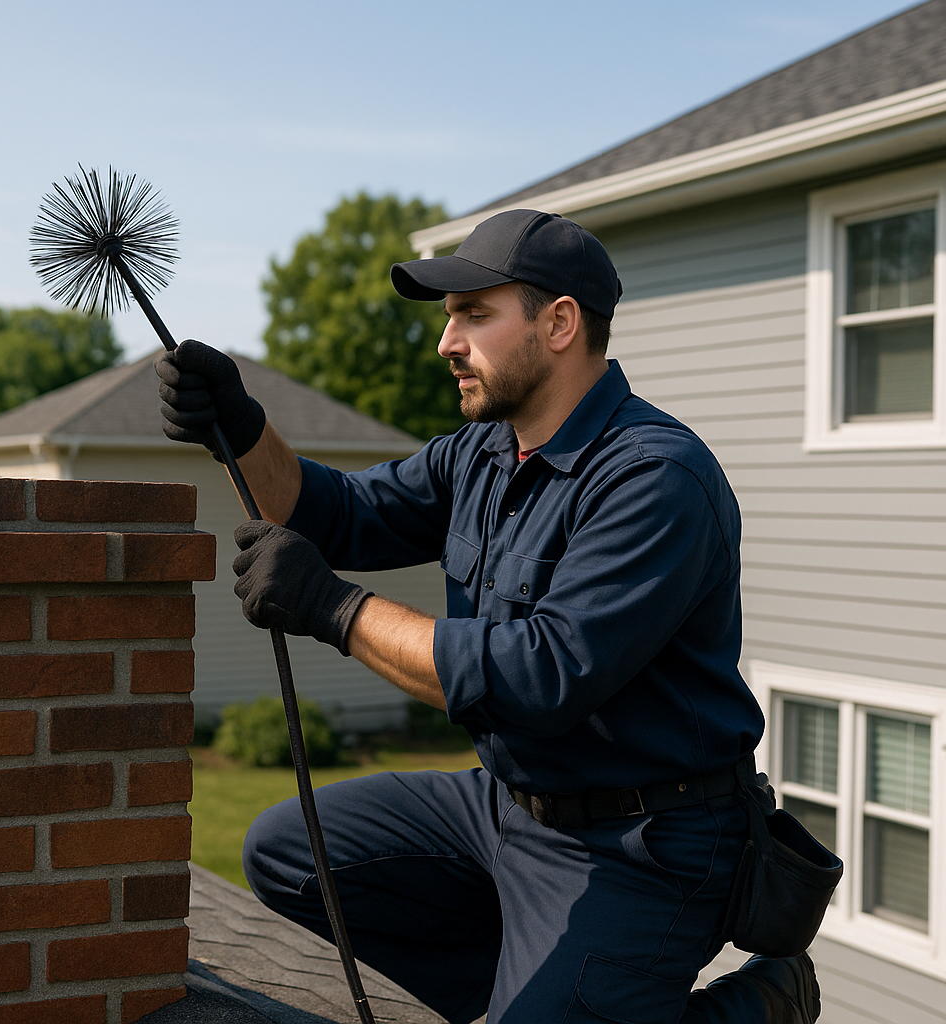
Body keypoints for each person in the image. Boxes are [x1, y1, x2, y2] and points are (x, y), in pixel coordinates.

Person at [157, 209, 821, 1024]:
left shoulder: (655, 478)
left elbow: (541, 676)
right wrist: (239, 426)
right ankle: (541, 989)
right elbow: (335, 512)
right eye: (449, 317)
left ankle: (752, 1006)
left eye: (474, 314)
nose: (447, 342)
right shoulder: (482, 452)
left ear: (560, 324)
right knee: (289, 855)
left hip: (644, 840)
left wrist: (334, 606)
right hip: (506, 806)